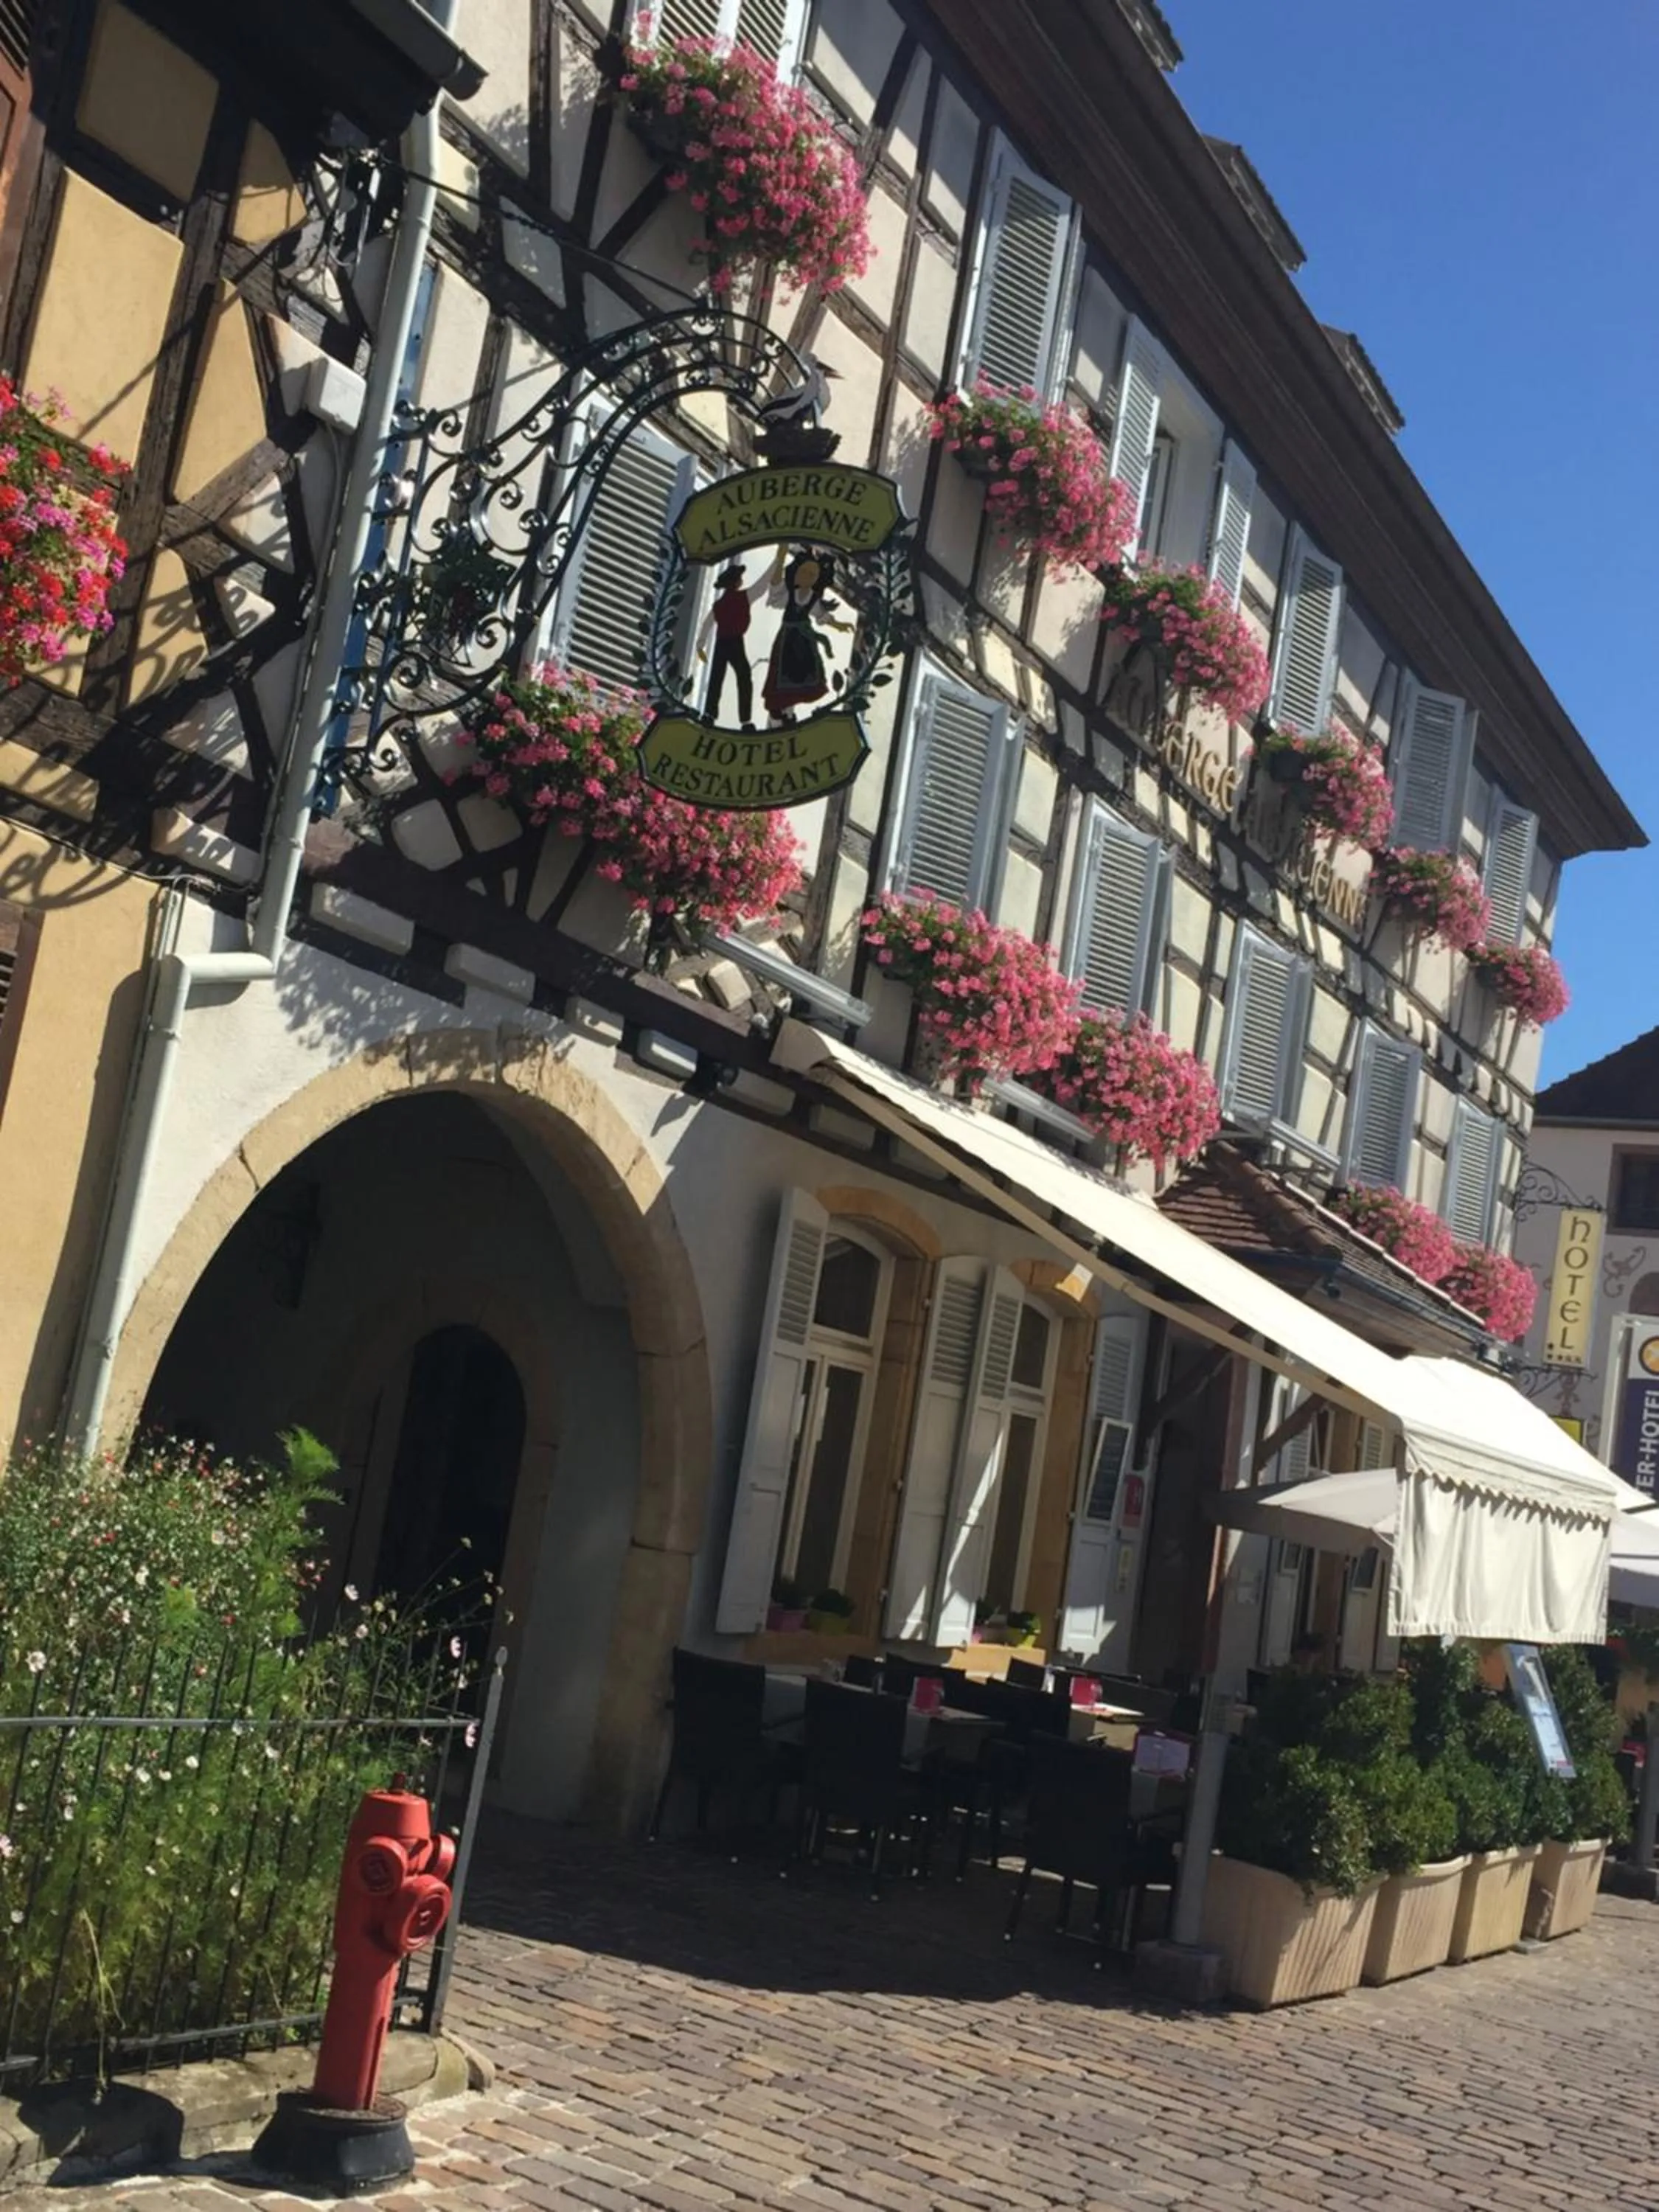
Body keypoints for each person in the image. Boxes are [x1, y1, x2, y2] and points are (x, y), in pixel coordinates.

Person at [762, 552, 838, 723]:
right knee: (782, 676)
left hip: (804, 643)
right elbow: (774, 593)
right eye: (804, 572)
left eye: (813, 575)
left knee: (799, 678)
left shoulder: (812, 598)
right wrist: (780, 557)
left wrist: (839, 625)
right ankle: (778, 714)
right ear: (795, 573)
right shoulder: (789, 594)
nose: (807, 577)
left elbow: (821, 615)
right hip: (786, 641)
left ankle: (788, 713)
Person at [701, 560, 757, 726]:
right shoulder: (743, 597)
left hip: (721, 641)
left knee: (717, 677)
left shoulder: (719, 604)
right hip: (734, 641)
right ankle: (745, 721)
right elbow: (762, 584)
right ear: (736, 581)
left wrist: (700, 643)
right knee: (744, 677)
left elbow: (707, 624)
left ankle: (709, 715)